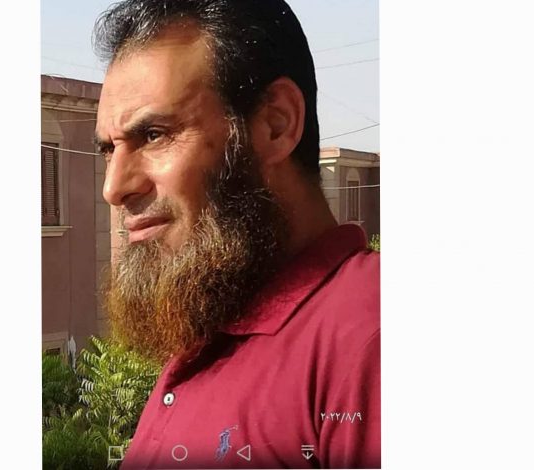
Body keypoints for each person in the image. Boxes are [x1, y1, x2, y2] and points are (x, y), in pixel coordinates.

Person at [93, 0, 380, 468]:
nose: (114, 187)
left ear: (275, 125)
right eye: (109, 149)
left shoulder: (368, 338)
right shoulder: (209, 329)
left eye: (154, 135)